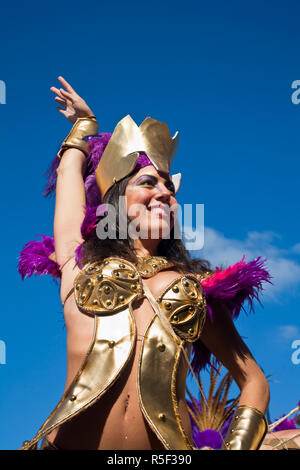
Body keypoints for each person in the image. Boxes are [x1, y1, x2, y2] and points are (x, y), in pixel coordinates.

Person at [18, 76, 273, 451]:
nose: (164, 193)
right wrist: (84, 127)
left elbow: (254, 381)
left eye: (170, 187)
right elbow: (67, 174)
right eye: (149, 182)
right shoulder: (80, 266)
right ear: (117, 200)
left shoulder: (195, 288)